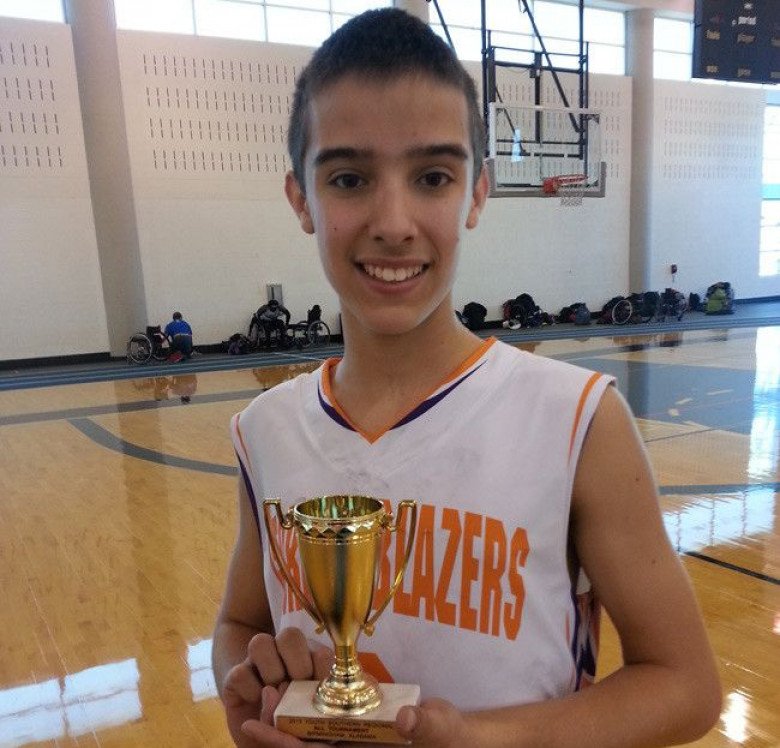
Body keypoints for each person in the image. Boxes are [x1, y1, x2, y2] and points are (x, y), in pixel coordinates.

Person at [212, 9, 721, 748]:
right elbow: (240, 623)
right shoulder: (264, 431)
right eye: (350, 178)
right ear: (301, 199)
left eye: (432, 177)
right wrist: (252, 686)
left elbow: (685, 685)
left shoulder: (577, 419)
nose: (394, 222)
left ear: (477, 193)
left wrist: (484, 738)